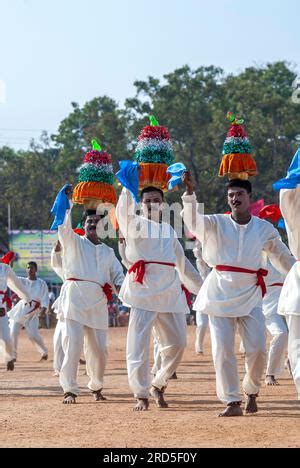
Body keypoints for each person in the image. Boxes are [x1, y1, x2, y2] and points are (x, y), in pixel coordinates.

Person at [181, 172, 295, 417]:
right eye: (231, 195)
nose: (234, 198)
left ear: (249, 197)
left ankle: (251, 391)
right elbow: (192, 222)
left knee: (257, 349)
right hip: (218, 293)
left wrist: (296, 272)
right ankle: (232, 401)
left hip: (251, 294)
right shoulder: (215, 223)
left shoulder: (263, 228)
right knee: (222, 350)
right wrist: (189, 194)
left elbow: (282, 256)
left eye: (239, 194)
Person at [116, 186, 202, 411]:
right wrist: (128, 186)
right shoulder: (134, 224)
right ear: (141, 204)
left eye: (156, 199)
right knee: (138, 346)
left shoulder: (170, 231)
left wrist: (204, 289)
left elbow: (183, 265)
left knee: (178, 343)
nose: (152, 203)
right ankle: (141, 394)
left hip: (169, 292)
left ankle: (158, 382)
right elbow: (122, 212)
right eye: (147, 201)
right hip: (142, 290)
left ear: (163, 204)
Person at [55, 186, 125, 404]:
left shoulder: (108, 251)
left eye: (97, 223)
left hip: (97, 303)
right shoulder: (74, 242)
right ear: (83, 226)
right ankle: (70, 389)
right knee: (73, 345)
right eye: (89, 222)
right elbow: (63, 229)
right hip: (74, 300)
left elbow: (118, 277)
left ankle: (96, 386)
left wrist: (127, 295)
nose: (93, 225)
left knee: (99, 352)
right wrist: (67, 205)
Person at [9, 261, 49, 361]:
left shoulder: (41, 283)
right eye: (28, 268)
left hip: (33, 311)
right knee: (13, 331)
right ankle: (13, 356)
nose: (29, 270)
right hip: (21, 309)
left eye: (31, 268)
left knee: (33, 335)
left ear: (36, 270)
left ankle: (44, 352)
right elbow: (12, 279)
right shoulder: (22, 280)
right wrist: (9, 268)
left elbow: (45, 298)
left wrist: (44, 309)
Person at [0, 252, 33, 371]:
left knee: (6, 339)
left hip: (1, 309)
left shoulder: (5, 268)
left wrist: (27, 297)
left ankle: (9, 358)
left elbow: (16, 284)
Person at [193, 240, 211, 355]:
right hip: (202, 301)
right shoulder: (203, 272)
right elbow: (198, 257)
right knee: (202, 324)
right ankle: (198, 345)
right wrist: (200, 241)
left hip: (215, 301)